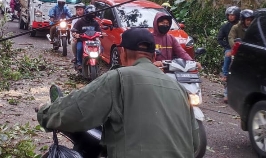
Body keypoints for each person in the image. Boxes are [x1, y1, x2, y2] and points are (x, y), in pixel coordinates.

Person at [36, 28, 200, 158]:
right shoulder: (179, 89)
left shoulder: (119, 78)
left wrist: (45, 113)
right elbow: (195, 143)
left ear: (122, 52)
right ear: (154, 55)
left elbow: (75, 111)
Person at [217, 6, 240, 103]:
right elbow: (219, 38)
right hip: (230, 49)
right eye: (229, 15)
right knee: (227, 59)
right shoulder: (225, 27)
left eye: (233, 15)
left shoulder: (241, 26)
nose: (231, 17)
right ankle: (225, 74)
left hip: (242, 49)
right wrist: (228, 47)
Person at [70, 5, 102, 70]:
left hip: (93, 41)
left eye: (93, 14)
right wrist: (75, 34)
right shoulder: (80, 21)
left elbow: (99, 31)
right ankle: (79, 63)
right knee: (79, 48)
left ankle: (98, 62)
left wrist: (101, 34)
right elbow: (74, 29)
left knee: (101, 49)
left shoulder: (95, 22)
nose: (92, 15)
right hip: (82, 40)